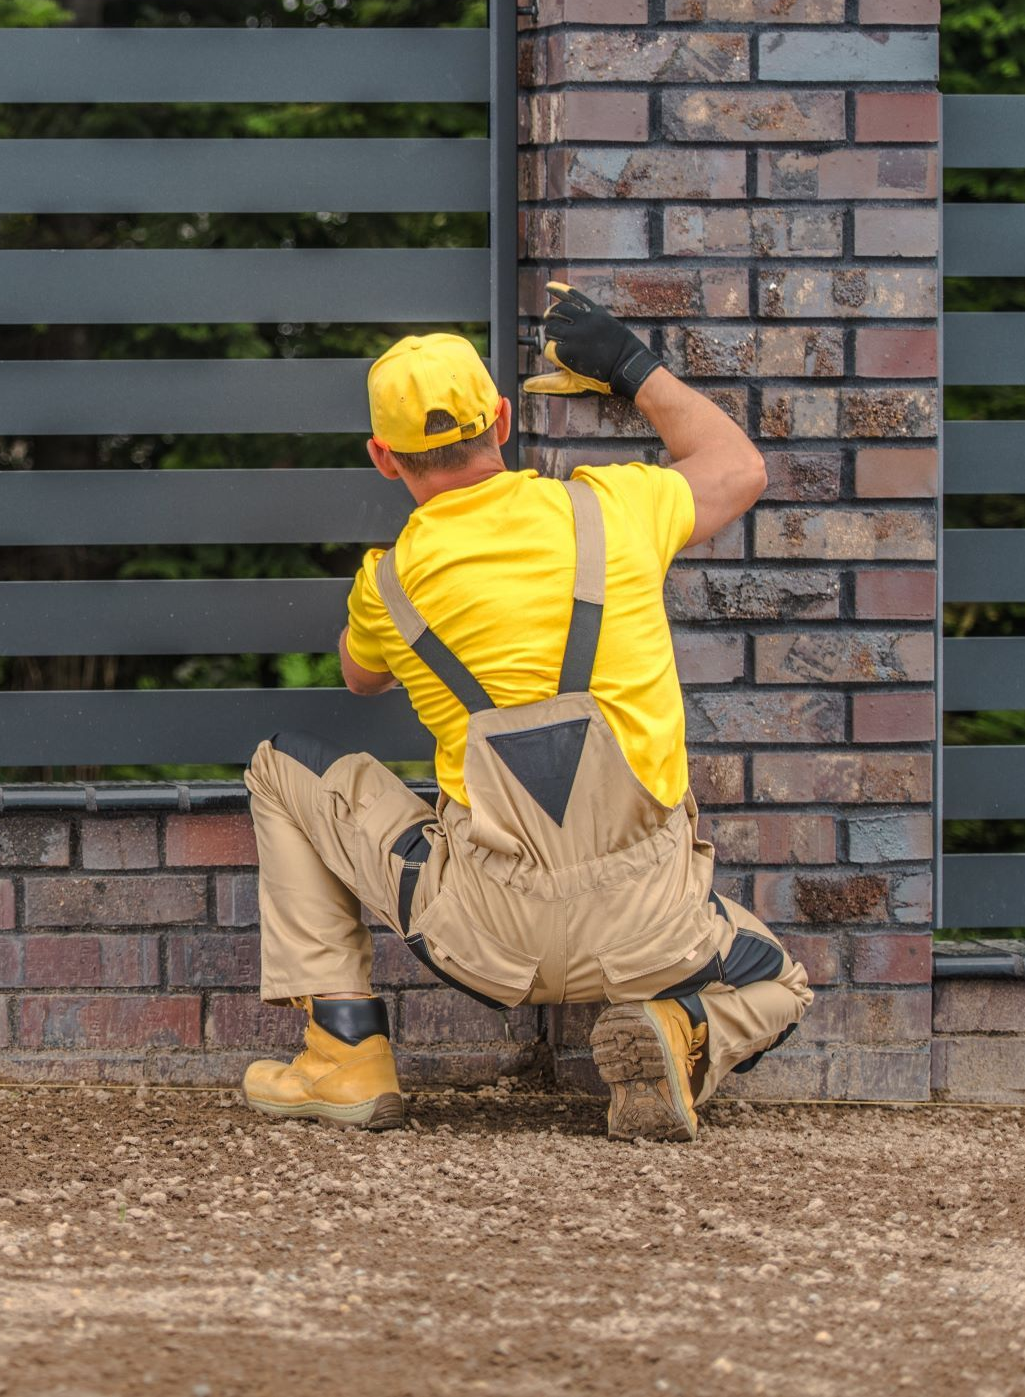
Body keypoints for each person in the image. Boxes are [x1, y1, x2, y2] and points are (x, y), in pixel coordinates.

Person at [241, 284, 813, 1142]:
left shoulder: (388, 583)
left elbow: (359, 678)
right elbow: (739, 469)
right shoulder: (612, 509)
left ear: (382, 457)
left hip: (484, 936)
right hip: (650, 931)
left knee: (279, 765)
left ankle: (344, 1051)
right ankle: (682, 1026)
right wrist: (629, 366)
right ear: (502, 422)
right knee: (778, 982)